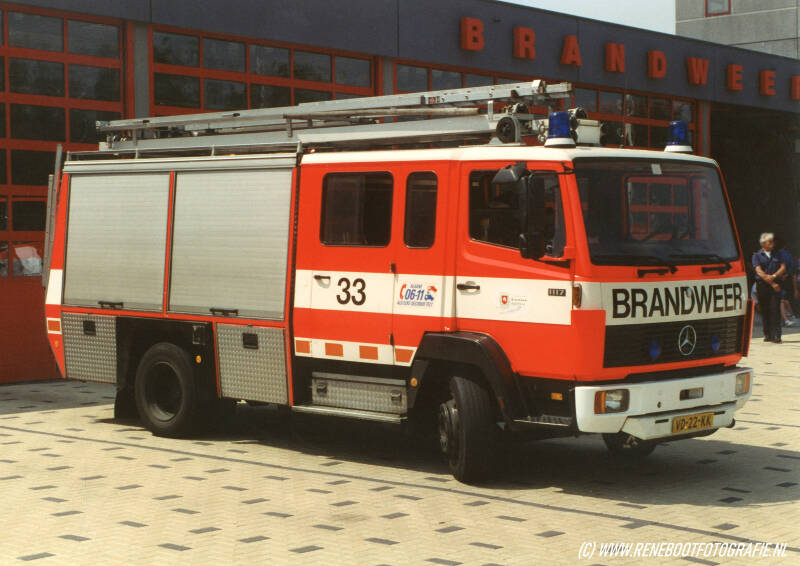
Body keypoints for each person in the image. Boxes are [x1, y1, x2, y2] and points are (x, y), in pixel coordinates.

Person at [752, 232, 785, 342]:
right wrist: (771, 282)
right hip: (763, 286)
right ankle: (767, 334)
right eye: (769, 241)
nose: (772, 243)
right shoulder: (756, 255)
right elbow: (758, 270)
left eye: (772, 241)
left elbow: (783, 267)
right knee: (765, 310)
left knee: (775, 310)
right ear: (763, 243)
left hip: (776, 285)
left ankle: (777, 335)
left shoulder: (778, 254)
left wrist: (774, 276)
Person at [774, 238, 798, 327]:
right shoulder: (789, 255)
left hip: (777, 279)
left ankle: (786, 319)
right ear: (785, 246)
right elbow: (793, 271)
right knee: (786, 299)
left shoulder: (774, 254)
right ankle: (791, 317)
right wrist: (786, 275)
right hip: (787, 280)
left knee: (780, 300)